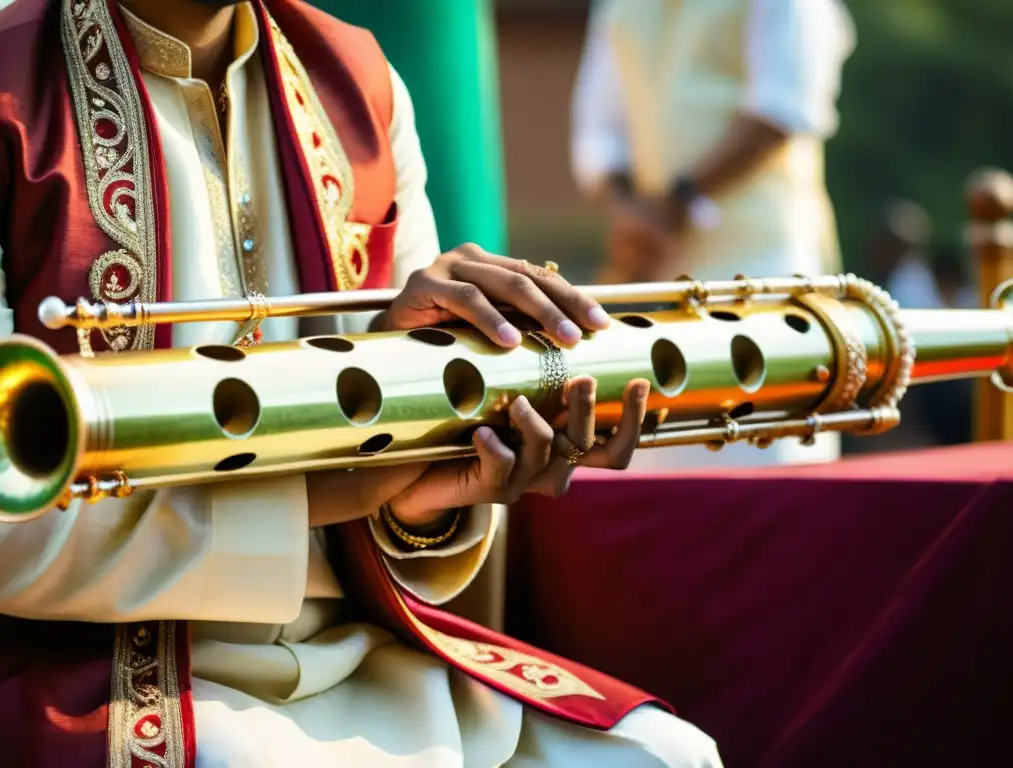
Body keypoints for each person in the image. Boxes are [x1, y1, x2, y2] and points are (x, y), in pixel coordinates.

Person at [0, 0, 725, 765]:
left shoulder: (359, 79)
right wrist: (325, 495)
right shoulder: (12, 88)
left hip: (361, 654)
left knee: (664, 755)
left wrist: (429, 497)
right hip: (95, 670)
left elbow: (405, 505)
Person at [569, 0, 855, 470]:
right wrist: (631, 213)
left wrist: (676, 203)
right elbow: (599, 138)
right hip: (654, 275)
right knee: (656, 455)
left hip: (765, 268)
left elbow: (785, 106)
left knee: (769, 444)